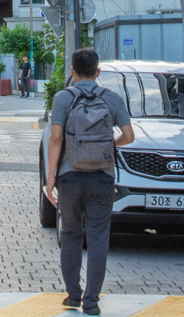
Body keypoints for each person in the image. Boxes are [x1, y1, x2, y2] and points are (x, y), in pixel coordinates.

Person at [43, 48, 135, 315]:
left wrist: (51, 178)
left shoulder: (63, 98)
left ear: (72, 71)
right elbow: (128, 135)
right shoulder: (112, 98)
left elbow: (56, 138)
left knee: (71, 234)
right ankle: (92, 302)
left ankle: (73, 295)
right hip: (102, 177)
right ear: (98, 72)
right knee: (98, 236)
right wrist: (109, 145)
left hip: (70, 177)